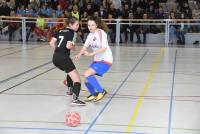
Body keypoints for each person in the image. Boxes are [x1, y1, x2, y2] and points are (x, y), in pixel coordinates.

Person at [49, 16, 86, 106]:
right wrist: (74, 47)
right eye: (76, 25)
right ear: (70, 25)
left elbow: (51, 43)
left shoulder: (59, 30)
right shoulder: (72, 33)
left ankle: (70, 90)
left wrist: (58, 50)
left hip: (55, 58)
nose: (78, 26)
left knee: (70, 72)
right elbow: (68, 46)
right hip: (64, 58)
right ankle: (75, 99)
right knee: (77, 80)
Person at [75, 16, 113, 102]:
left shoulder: (101, 33)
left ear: (96, 25)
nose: (90, 27)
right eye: (88, 25)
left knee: (87, 74)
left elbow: (104, 48)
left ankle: (102, 91)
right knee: (86, 78)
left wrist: (91, 54)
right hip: (97, 60)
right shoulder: (90, 35)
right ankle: (94, 94)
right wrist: (79, 54)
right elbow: (85, 46)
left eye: (92, 25)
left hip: (106, 60)